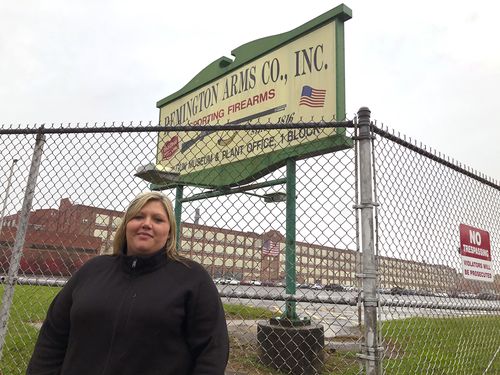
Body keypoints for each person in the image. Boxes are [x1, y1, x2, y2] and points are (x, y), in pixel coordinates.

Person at [27, 191, 229, 374]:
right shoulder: (92, 270)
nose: (146, 224)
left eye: (158, 219)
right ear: (126, 227)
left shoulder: (192, 278)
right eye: (138, 217)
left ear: (169, 233)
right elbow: (53, 336)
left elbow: (212, 351)